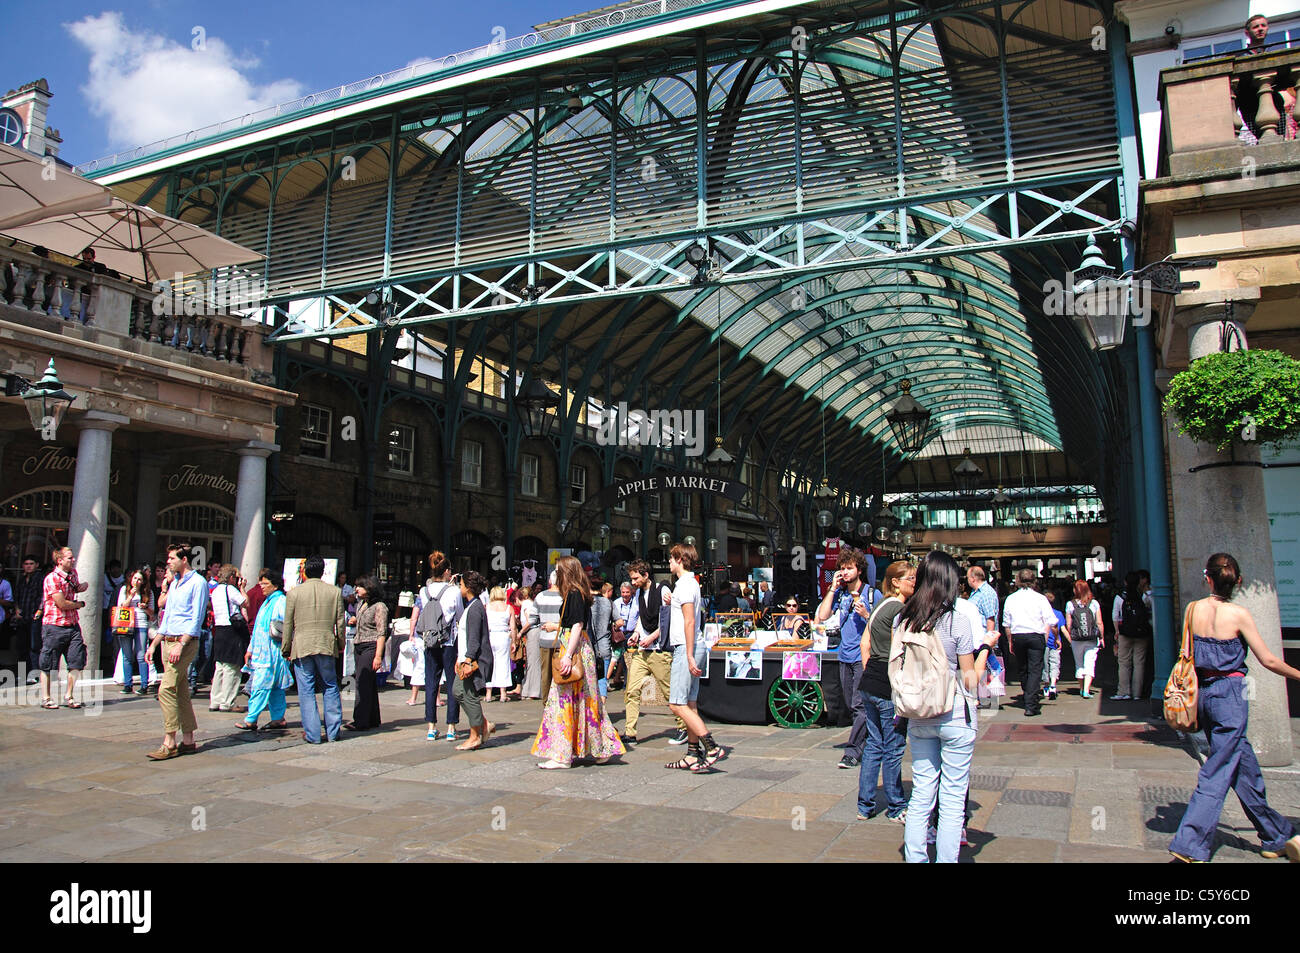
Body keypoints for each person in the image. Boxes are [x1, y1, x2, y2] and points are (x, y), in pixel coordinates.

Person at [1169, 553, 1300, 864]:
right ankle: (1190, 843)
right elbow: (1268, 659)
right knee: (1216, 771)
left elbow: (1186, 652)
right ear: (1238, 581)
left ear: (1208, 577)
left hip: (1202, 693)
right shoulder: (1239, 614)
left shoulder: (1193, 609)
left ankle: (1275, 836)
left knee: (1243, 766)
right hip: (1230, 696)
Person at [899, 551, 999, 863]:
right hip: (955, 713)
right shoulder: (956, 620)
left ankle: (916, 858)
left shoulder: (905, 620)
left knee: (921, 793)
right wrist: (985, 648)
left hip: (919, 713)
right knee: (953, 797)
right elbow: (971, 680)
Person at [531, 555, 624, 769]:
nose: (555, 576)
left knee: (564, 701)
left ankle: (562, 754)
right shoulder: (580, 593)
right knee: (587, 702)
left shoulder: (573, 594)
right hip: (583, 652)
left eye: (558, 571)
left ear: (566, 573)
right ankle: (600, 750)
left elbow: (576, 626)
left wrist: (566, 654)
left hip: (574, 652)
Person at [857, 560, 914, 822]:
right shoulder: (900, 609)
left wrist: (872, 669)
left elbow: (864, 642)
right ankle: (895, 806)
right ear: (895, 582)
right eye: (910, 578)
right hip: (887, 686)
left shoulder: (879, 605)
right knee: (893, 747)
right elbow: (902, 650)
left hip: (870, 682)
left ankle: (865, 806)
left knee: (873, 746)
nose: (914, 582)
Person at [663, 542, 725, 773]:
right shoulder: (687, 585)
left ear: (680, 559)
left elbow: (690, 621)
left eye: (671, 558)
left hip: (686, 648)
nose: (669, 562)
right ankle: (692, 753)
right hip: (692, 646)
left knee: (676, 704)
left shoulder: (686, 585)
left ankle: (711, 746)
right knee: (690, 703)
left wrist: (688, 655)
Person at [814, 547, 877, 769]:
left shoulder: (871, 594)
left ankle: (852, 751)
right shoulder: (840, 595)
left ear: (859, 569)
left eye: (849, 568)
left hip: (863, 656)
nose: (845, 572)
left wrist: (867, 615)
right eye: (842, 568)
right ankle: (871, 740)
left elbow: (884, 625)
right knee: (852, 704)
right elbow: (822, 616)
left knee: (859, 705)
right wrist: (832, 588)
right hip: (845, 655)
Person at [147, 543, 208, 759]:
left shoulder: (198, 583)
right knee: (180, 689)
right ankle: (189, 739)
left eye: (172, 558)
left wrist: (182, 643)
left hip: (184, 642)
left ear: (184, 560)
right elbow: (168, 615)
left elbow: (196, 618)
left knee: (166, 689)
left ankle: (169, 741)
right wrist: (155, 643)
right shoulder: (175, 583)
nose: (168, 562)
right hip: (167, 640)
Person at [282, 554, 346, 744]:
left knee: (306, 690)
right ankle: (333, 732)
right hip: (326, 643)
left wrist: (286, 647)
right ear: (322, 571)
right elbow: (340, 623)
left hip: (302, 645)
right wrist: (340, 644)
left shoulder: (294, 593)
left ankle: (313, 733)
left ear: (305, 571)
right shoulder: (334, 592)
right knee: (330, 686)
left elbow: (288, 624)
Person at [621, 560, 685, 746]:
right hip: (642, 651)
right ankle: (630, 732)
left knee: (668, 691)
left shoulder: (663, 589)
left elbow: (668, 620)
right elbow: (642, 620)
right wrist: (636, 634)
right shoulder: (640, 593)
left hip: (659, 651)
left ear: (646, 575)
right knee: (631, 691)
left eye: (635, 578)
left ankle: (683, 727)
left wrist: (652, 637)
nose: (633, 582)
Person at [411, 551, 463, 741]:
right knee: (451, 683)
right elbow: (459, 616)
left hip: (429, 640)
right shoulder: (454, 591)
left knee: (431, 682)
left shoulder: (424, 591)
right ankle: (451, 727)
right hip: (448, 641)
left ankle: (431, 726)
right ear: (447, 571)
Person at [239, 570, 290, 731]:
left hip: (273, 653)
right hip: (262, 652)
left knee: (261, 685)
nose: (262, 587)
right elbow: (257, 630)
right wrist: (250, 649)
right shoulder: (267, 602)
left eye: (265, 584)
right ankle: (278, 718)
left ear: (275, 586)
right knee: (275, 688)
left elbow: (285, 626)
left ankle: (251, 719)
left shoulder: (281, 601)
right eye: (261, 583)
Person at [38, 547, 88, 710]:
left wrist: (82, 586)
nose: (72, 560)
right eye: (69, 558)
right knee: (48, 663)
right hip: (54, 625)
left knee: (76, 660)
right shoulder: (51, 578)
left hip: (72, 625)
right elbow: (62, 603)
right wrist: (79, 604)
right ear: (59, 561)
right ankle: (46, 697)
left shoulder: (72, 574)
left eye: (73, 558)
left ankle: (69, 695)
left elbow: (75, 587)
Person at [1001, 568, 1054, 717]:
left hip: (1018, 636)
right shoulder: (1040, 598)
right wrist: (1046, 636)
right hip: (1036, 636)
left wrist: (1010, 640)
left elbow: (1007, 623)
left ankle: (1028, 695)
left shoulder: (1011, 599)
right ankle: (1031, 703)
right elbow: (1050, 619)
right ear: (1034, 581)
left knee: (1023, 668)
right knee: (1035, 669)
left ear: (1017, 580)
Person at [453, 572, 495, 750]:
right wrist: (459, 657)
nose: (459, 587)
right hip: (466, 657)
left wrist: (468, 659)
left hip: (474, 659)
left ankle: (475, 735)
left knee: (466, 694)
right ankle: (484, 725)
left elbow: (474, 638)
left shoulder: (475, 607)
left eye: (461, 584)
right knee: (458, 691)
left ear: (468, 587)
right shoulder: (471, 606)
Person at [343, 575, 388, 731]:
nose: (357, 589)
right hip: (359, 644)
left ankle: (360, 720)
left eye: (360, 586)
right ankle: (372, 718)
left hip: (371, 645)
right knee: (368, 683)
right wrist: (355, 619)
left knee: (362, 681)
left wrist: (378, 656)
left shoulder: (380, 606)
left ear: (369, 588)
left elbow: (382, 632)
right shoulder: (362, 603)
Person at [208, 565, 249, 713]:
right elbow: (245, 603)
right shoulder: (230, 590)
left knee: (220, 666)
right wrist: (242, 589)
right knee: (232, 667)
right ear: (231, 577)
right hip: (231, 630)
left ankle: (215, 700)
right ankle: (227, 702)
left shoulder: (216, 590)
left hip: (219, 629)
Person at [1112, 570, 1153, 700]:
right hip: (1142, 633)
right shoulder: (1144, 596)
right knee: (1139, 663)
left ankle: (1123, 691)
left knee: (1124, 662)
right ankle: (1137, 693)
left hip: (1125, 633)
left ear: (1125, 582)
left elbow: (1115, 615)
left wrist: (1117, 631)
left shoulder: (1120, 597)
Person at [115, 566, 154, 695]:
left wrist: (145, 607)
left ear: (143, 582)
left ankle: (144, 685)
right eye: (135, 578)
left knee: (141, 655)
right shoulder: (124, 590)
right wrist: (130, 596)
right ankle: (127, 684)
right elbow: (122, 606)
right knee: (127, 655)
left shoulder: (148, 592)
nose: (136, 581)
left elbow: (152, 612)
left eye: (139, 579)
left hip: (141, 623)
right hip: (126, 623)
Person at [1064, 580, 1104, 698]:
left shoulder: (1070, 604)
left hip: (1077, 639)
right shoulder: (1094, 603)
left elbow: (1068, 624)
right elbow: (1099, 622)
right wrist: (1101, 637)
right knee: (1090, 663)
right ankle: (1086, 690)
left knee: (1079, 664)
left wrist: (1072, 635)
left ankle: (1081, 688)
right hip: (1092, 638)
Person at [14, 555, 45, 681]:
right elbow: (16, 596)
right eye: (26, 564)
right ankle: (22, 673)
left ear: (36, 565)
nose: (28, 566)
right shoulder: (21, 580)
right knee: (22, 646)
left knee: (34, 647)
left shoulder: (40, 579)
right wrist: (16, 609)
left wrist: (40, 610)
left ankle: (34, 674)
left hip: (34, 617)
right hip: (22, 617)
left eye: (31, 563)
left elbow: (44, 597)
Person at [534, 573, 564, 701]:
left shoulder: (540, 596)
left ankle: (546, 702)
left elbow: (532, 618)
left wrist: (542, 623)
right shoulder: (565, 596)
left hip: (545, 639)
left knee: (545, 674)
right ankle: (559, 701)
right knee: (560, 672)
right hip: (561, 640)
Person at [485, 586, 515, 704]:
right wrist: (514, 641)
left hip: (490, 636)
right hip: (503, 636)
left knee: (489, 664)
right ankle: (503, 693)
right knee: (503, 664)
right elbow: (512, 627)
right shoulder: (508, 608)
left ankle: (488, 693)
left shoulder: (487, 607)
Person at [608, 581, 637, 691]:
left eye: (627, 592)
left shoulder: (636, 602)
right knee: (619, 660)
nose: (625, 594)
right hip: (619, 635)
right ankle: (623, 683)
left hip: (631, 634)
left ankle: (628, 685)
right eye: (623, 592)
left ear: (631, 592)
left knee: (630, 661)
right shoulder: (616, 603)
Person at [518, 583, 542, 699]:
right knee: (532, 661)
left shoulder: (526, 605)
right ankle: (529, 689)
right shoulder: (531, 603)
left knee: (532, 662)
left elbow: (530, 621)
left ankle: (533, 691)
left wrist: (521, 631)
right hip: (534, 632)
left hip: (532, 633)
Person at [1043, 591, 1065, 701]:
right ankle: (1053, 684)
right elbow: (1062, 629)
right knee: (1055, 664)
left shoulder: (1040, 614)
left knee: (1045, 665)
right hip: (1055, 643)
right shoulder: (1058, 614)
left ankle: (1046, 686)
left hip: (1044, 643)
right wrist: (1071, 641)